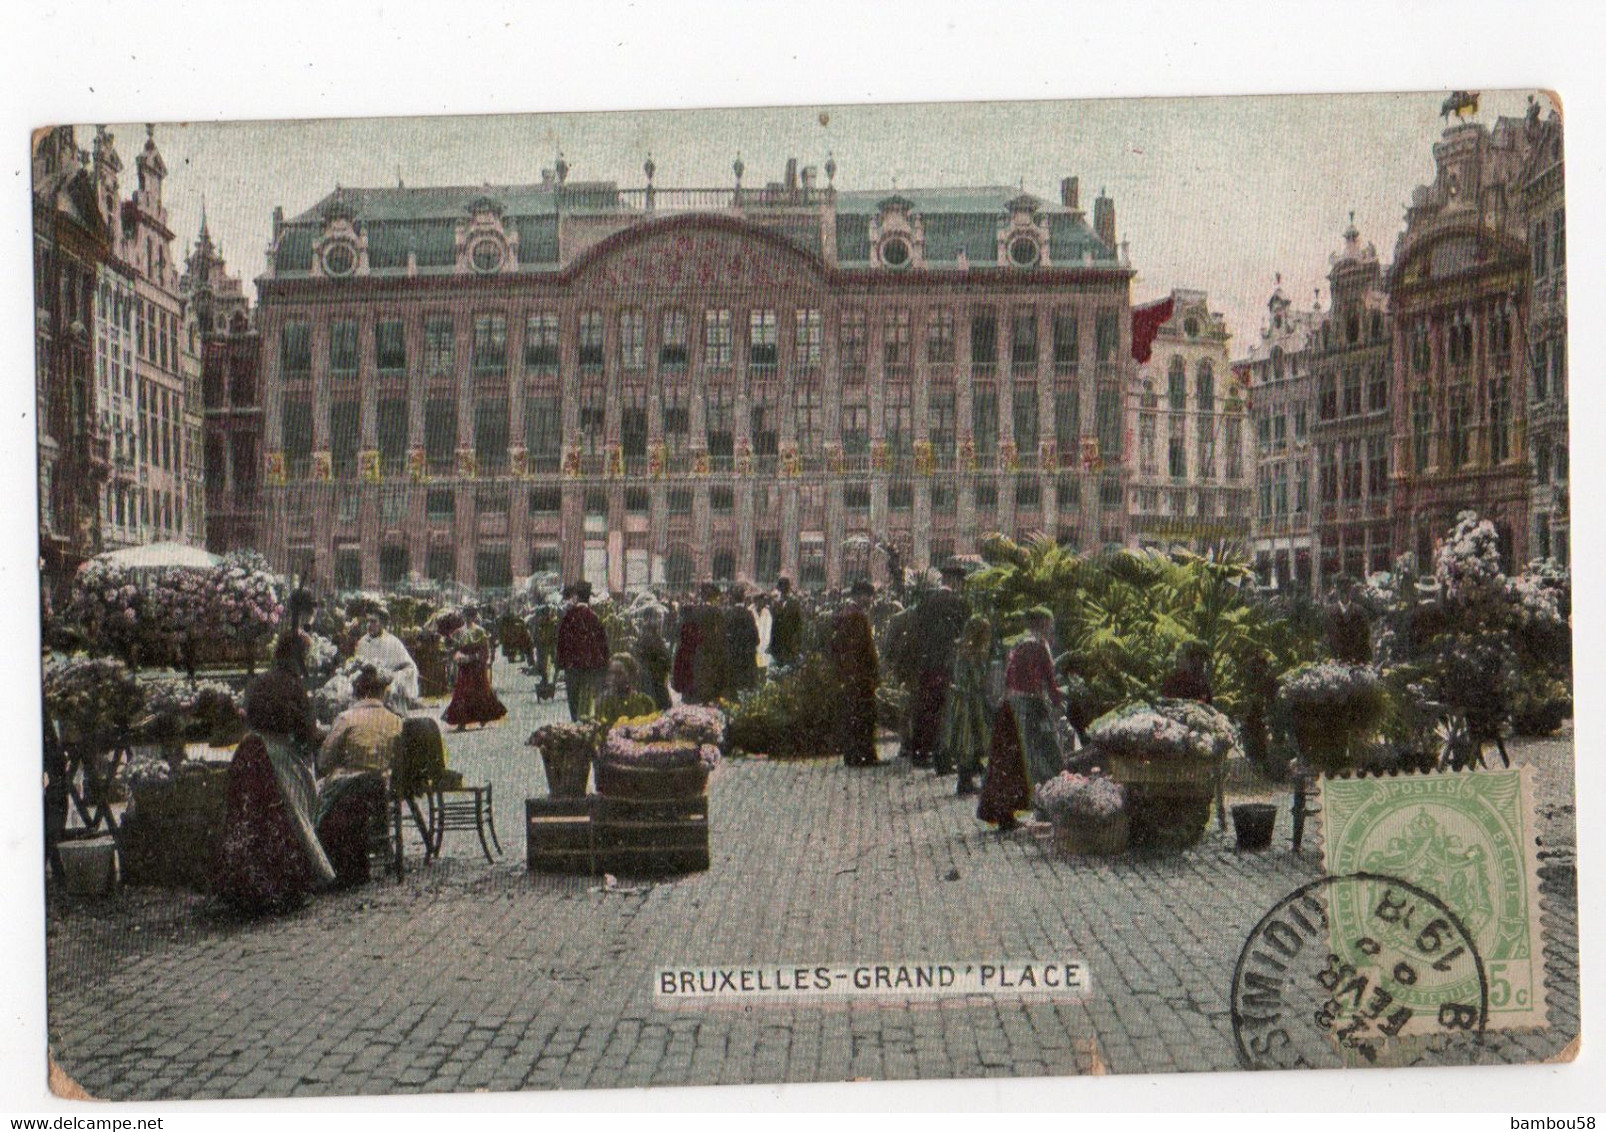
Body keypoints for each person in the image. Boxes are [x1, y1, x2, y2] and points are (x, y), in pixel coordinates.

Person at [213, 656, 338, 914]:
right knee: (293, 816)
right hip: (279, 754)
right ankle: (286, 884)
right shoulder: (293, 685)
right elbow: (305, 729)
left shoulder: (260, 682)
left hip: (251, 748)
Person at [316, 665, 403, 887]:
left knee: (317, 795)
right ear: (382, 693)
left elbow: (324, 761)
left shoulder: (347, 718)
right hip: (382, 788)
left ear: (358, 693)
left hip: (350, 785)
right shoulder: (395, 720)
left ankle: (322, 864)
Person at [978, 607, 1065, 830]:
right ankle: (1047, 806)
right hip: (1029, 707)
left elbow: (1009, 677)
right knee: (1043, 755)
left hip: (1010, 707)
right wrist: (1058, 703)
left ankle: (1005, 813)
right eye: (1049, 624)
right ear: (1044, 624)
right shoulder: (1039, 646)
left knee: (1009, 760)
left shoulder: (1019, 643)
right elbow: (1049, 680)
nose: (1051, 628)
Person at [904, 563, 971, 769]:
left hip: (926, 663)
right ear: (955, 582)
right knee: (943, 710)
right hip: (946, 663)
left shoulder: (926, 601)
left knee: (925, 707)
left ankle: (920, 752)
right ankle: (940, 753)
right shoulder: (958, 604)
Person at [939, 615, 994, 796]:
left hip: (963, 700)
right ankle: (965, 780)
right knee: (969, 739)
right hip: (970, 701)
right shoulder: (974, 655)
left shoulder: (963, 651)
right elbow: (977, 680)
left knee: (968, 740)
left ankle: (968, 777)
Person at [830, 580, 881, 767]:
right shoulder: (857, 616)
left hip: (849, 675)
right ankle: (865, 755)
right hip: (860, 675)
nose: (870, 600)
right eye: (869, 596)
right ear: (861, 595)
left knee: (852, 714)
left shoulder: (844, 613)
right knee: (864, 715)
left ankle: (853, 754)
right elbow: (861, 649)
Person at [442, 606, 507, 730]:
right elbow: (454, 649)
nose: (468, 619)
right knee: (462, 691)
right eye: (466, 616)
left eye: (470, 616)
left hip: (477, 666)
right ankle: (462, 722)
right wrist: (458, 656)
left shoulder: (480, 631)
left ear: (474, 617)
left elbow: (485, 650)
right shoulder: (458, 632)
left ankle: (483, 717)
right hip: (464, 667)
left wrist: (473, 658)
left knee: (481, 690)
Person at [556, 581, 610, 721]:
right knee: (590, 700)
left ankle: (576, 726)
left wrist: (561, 664)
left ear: (576, 597)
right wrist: (604, 664)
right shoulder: (594, 617)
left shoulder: (568, 617)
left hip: (572, 667)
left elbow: (561, 642)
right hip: (592, 668)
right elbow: (603, 643)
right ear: (588, 597)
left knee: (574, 701)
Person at [354, 610, 420, 712]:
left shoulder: (393, 642)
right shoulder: (363, 642)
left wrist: (395, 677)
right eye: (368, 621)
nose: (369, 625)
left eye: (373, 621)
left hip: (386, 684)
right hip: (365, 684)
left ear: (382, 624)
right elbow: (357, 662)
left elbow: (410, 668)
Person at [672, 583, 727, 705]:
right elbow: (721, 636)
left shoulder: (693, 611)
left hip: (695, 654)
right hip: (711, 655)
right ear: (714, 597)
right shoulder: (717, 612)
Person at [596, 654, 658, 728]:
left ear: (631, 675)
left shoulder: (646, 702)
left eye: (619, 674)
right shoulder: (603, 702)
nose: (613, 678)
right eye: (611, 673)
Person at [633, 606, 673, 711]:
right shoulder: (653, 637)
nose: (659, 620)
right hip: (655, 679)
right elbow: (666, 661)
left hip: (650, 678)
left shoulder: (644, 635)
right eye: (656, 616)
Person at [724, 584, 760, 694]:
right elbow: (755, 637)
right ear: (743, 599)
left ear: (733, 599)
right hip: (746, 656)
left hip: (732, 655)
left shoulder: (729, 614)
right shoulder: (748, 614)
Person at [1327, 577, 1373, 665]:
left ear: (1351, 591)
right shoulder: (1330, 612)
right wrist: (1331, 657)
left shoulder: (1360, 612)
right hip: (1336, 661)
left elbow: (1365, 637)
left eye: (1346, 591)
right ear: (1337, 592)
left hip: (1357, 661)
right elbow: (1327, 637)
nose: (1344, 594)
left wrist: (1362, 660)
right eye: (1341, 591)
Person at [1160, 640, 1214, 704]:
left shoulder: (1203, 684)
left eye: (1203, 658)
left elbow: (1206, 706)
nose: (1201, 662)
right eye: (1197, 657)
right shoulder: (1174, 681)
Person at [768, 576, 803, 670]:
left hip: (789, 645)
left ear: (787, 589)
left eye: (784, 588)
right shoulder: (776, 604)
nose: (782, 591)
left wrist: (797, 645)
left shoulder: (794, 604)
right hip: (777, 645)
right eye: (780, 588)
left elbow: (798, 626)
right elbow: (773, 626)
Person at [532, 604, 559, 698]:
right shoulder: (550, 623)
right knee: (545, 668)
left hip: (547, 649)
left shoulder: (549, 623)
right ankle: (546, 683)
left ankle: (546, 683)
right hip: (545, 649)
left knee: (546, 668)